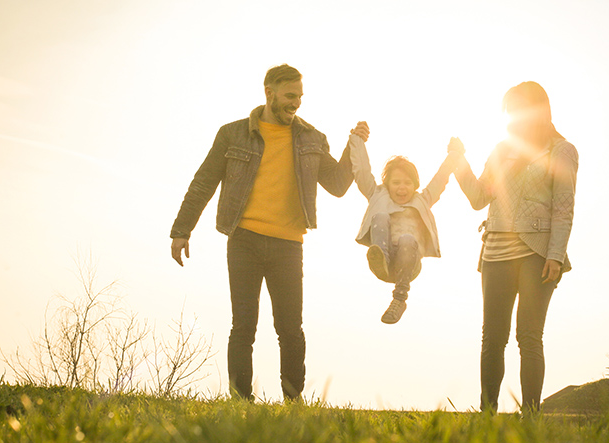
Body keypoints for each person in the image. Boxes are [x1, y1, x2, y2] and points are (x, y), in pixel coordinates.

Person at [169, 64, 370, 401]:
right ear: (269, 93)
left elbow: (337, 185)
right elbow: (203, 182)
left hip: (289, 245)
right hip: (244, 240)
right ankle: (240, 402)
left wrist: (354, 146)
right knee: (243, 326)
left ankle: (293, 401)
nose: (297, 103)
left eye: (300, 97)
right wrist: (181, 229)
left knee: (291, 329)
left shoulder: (311, 138)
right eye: (290, 96)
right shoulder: (232, 134)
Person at [452, 81, 579, 412]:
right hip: (495, 250)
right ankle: (487, 414)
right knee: (492, 339)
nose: (513, 116)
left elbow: (563, 208)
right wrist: (459, 162)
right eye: (509, 111)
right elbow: (479, 197)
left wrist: (555, 255)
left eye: (519, 109)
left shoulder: (561, 151)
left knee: (529, 337)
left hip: (537, 253)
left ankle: (530, 417)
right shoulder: (501, 150)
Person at [348, 134, 460, 323]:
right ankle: (381, 257)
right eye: (396, 183)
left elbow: (441, 178)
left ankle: (399, 299)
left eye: (407, 183)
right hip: (384, 259)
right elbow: (362, 172)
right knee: (381, 217)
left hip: (409, 262)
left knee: (407, 239)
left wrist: (454, 154)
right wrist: (357, 140)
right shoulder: (377, 195)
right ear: (387, 184)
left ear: (415, 185)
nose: (402, 188)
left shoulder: (422, 200)